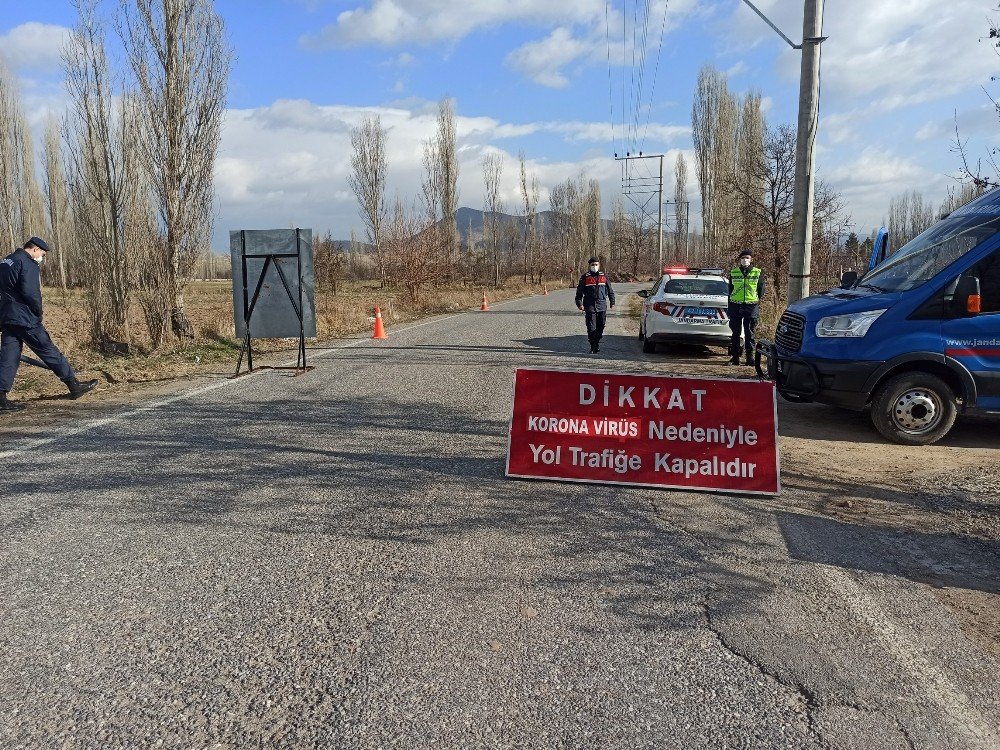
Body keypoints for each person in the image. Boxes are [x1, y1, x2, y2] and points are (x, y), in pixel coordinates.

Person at [0, 237, 97, 411]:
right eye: (42, 254)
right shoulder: (27, 263)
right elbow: (31, 292)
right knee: (48, 350)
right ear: (35, 249)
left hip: (7, 316)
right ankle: (74, 385)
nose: (41, 258)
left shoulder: (7, 261)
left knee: (9, 355)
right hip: (26, 318)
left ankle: (1, 396)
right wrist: (38, 311)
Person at [727, 248, 765, 366]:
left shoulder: (757, 272)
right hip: (736, 305)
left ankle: (750, 358)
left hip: (751, 305)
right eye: (743, 258)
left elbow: (761, 290)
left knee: (750, 333)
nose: (745, 260)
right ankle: (735, 358)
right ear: (740, 260)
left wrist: (754, 299)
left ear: (751, 259)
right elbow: (730, 289)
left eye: (747, 258)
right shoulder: (734, 272)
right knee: (735, 333)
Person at [575, 256, 615, 354]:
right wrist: (579, 304)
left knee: (601, 325)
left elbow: (610, 290)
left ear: (599, 265)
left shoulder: (604, 276)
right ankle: (593, 345)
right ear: (589, 265)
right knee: (591, 326)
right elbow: (579, 293)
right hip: (590, 305)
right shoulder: (585, 277)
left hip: (601, 305)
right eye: (593, 265)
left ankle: (597, 341)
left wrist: (612, 301)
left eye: (596, 264)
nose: (594, 266)